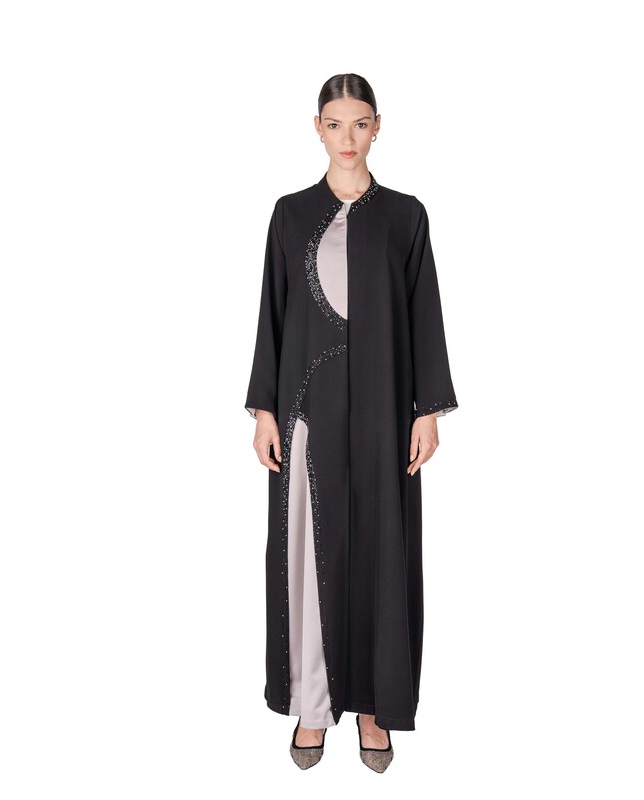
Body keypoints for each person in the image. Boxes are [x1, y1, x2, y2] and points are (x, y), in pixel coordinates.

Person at [244, 73, 459, 772]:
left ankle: (374, 705)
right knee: (307, 553)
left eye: (359, 123)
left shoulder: (405, 216)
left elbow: (424, 314)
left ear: (377, 127)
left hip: (385, 412)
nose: (347, 138)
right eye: (334, 124)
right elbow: (273, 314)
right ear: (317, 129)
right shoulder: (289, 214)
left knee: (383, 551)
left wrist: (428, 410)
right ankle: (312, 704)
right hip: (306, 414)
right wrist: (264, 410)